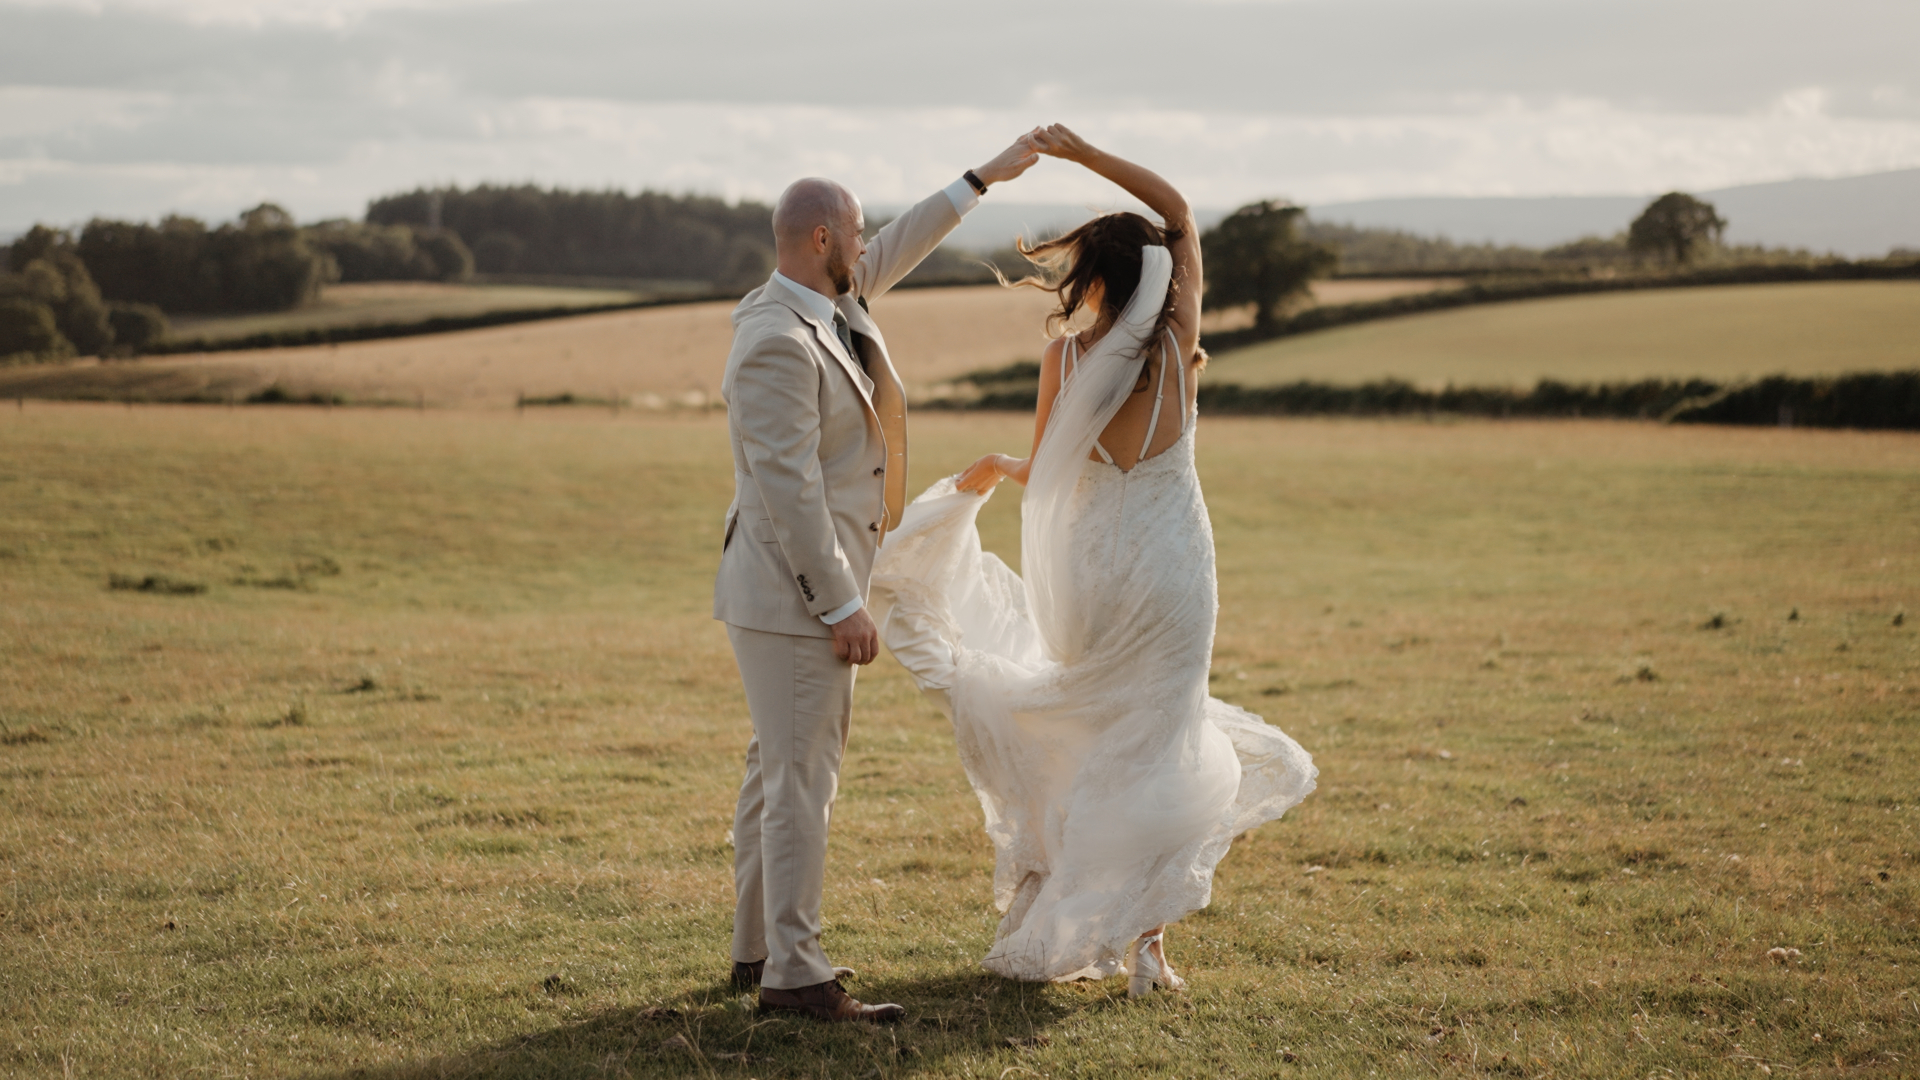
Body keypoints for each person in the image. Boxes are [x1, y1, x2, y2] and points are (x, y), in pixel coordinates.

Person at [867, 124, 1317, 996]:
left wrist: (995, 466)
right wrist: (1087, 157)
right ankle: (1149, 944)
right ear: (1157, 280)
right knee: (1165, 738)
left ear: (1095, 282)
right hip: (1177, 570)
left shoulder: (1065, 360)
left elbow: (1048, 478)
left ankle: (1075, 901)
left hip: (1098, 576)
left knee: (1098, 734)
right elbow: (1180, 210)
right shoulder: (1180, 350)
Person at [713, 133, 1040, 1024]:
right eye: (858, 233)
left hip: (792, 595)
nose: (870, 247)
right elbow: (790, 494)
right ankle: (798, 979)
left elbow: (901, 245)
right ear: (823, 240)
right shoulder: (779, 339)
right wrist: (845, 605)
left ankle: (758, 952)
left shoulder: (829, 302)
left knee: (773, 772)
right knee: (799, 783)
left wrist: (981, 179)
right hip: (794, 595)